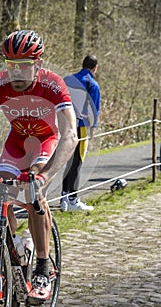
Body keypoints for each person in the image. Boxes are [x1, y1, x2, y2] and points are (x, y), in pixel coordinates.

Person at [0, 30, 78, 303]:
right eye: (11, 65)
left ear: (38, 64)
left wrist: (45, 176)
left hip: (45, 141)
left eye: (24, 66)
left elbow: (70, 136)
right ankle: (16, 251)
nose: (17, 72)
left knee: (33, 193)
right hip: (17, 144)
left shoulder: (52, 85)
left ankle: (43, 267)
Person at [60, 55, 101, 211]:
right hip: (81, 125)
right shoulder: (93, 84)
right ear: (94, 68)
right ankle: (73, 199)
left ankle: (63, 197)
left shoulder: (67, 79)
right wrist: (93, 128)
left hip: (65, 125)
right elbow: (93, 110)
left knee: (67, 160)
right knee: (78, 161)